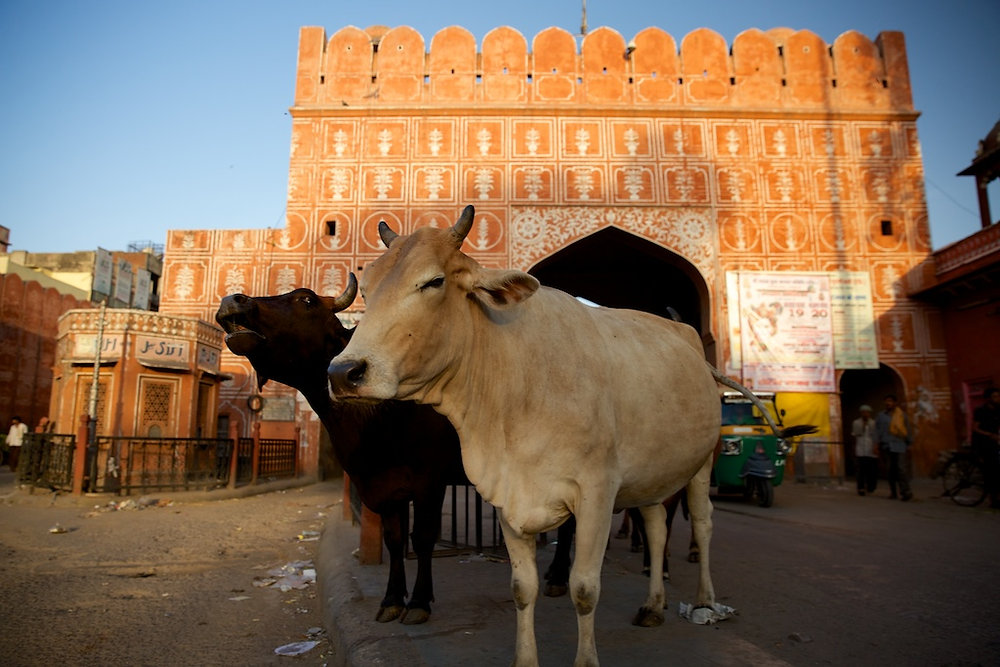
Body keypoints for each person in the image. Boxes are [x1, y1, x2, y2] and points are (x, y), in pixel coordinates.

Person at [875, 394, 913, 501]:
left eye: (890, 401)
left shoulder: (901, 415)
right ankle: (893, 492)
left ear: (895, 403)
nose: (888, 403)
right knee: (890, 470)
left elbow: (907, 429)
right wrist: (876, 444)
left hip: (900, 444)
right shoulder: (881, 416)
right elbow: (877, 431)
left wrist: (909, 443)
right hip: (886, 445)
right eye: (887, 401)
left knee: (901, 469)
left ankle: (905, 491)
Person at [970, 387, 1000, 508]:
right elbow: (975, 428)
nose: (997, 399)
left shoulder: (999, 409)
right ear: (988, 398)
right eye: (994, 397)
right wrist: (989, 435)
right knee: (991, 471)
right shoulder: (981, 411)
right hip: (985, 443)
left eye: (998, 396)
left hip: (997, 440)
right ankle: (993, 499)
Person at [852, 405, 878, 496]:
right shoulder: (856, 422)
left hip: (871, 449)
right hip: (860, 449)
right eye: (863, 412)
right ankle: (861, 487)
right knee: (861, 470)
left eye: (867, 412)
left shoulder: (873, 423)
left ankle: (871, 486)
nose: (865, 414)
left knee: (871, 469)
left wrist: (876, 447)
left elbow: (876, 436)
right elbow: (855, 434)